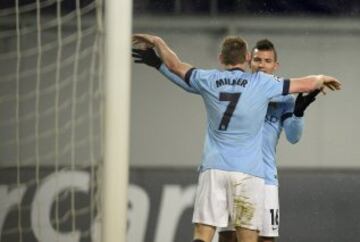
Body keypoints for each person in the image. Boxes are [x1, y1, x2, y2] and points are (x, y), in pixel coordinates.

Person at [132, 34, 341, 242]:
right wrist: (320, 79)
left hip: (261, 177)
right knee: (231, 237)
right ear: (249, 59)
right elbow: (307, 83)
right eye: (258, 60)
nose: (262, 65)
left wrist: (298, 113)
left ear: (276, 65)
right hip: (249, 174)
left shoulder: (279, 96)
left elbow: (294, 137)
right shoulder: (262, 85)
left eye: (267, 61)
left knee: (239, 237)